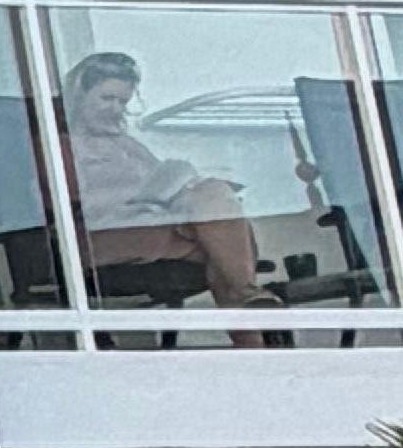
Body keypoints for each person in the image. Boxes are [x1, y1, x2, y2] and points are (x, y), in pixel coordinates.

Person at [50, 47, 262, 310]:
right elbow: (55, 204)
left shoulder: (128, 145)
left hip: (157, 226)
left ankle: (248, 312)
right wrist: (136, 198)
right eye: (107, 98)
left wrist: (180, 188)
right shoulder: (59, 146)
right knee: (221, 251)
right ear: (79, 97)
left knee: (213, 194)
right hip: (104, 235)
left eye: (122, 102)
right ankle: (249, 306)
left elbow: (161, 182)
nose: (115, 109)